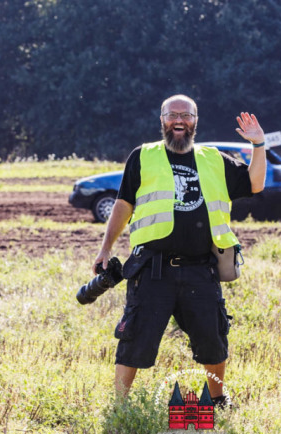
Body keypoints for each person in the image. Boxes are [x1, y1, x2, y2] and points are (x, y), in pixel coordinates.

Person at [93, 94, 266, 405]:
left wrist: (258, 145)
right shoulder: (143, 156)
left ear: (195, 121)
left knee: (213, 338)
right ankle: (119, 406)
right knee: (135, 337)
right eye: (172, 114)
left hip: (201, 268)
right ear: (162, 120)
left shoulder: (215, 159)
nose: (179, 120)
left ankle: (217, 401)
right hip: (152, 269)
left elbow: (255, 184)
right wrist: (105, 249)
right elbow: (123, 204)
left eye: (185, 115)